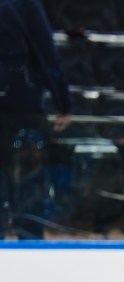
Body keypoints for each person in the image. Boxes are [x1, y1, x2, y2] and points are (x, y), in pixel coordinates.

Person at [0, 0, 73, 234]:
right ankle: (29, 240)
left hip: (20, 101)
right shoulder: (24, 4)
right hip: (22, 102)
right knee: (28, 181)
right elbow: (46, 53)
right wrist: (63, 102)